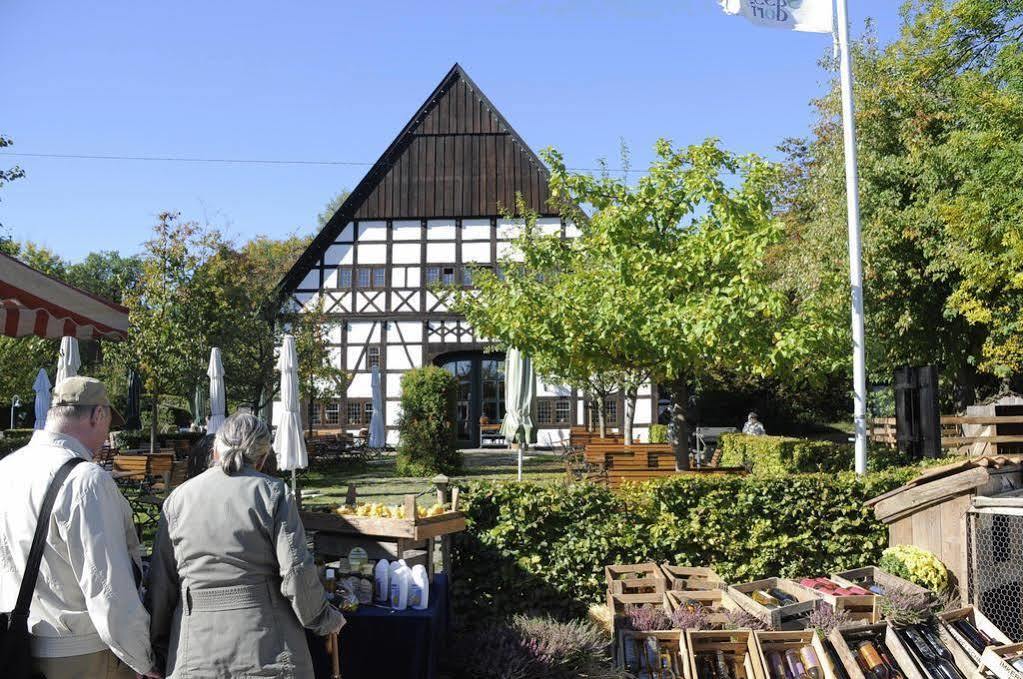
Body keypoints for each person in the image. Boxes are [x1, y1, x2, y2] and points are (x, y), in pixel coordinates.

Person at [146, 412, 344, 678]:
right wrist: (324, 620)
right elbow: (296, 573)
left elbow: (161, 585)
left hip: (195, 652)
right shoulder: (274, 493)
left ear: (215, 450)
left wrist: (157, 649)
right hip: (269, 651)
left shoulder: (177, 500)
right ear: (262, 460)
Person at [0, 376, 160, 679]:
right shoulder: (87, 480)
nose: (107, 435)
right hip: (79, 656)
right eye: (109, 423)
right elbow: (108, 587)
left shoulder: (6, 468)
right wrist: (144, 659)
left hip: (12, 649)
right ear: (98, 415)